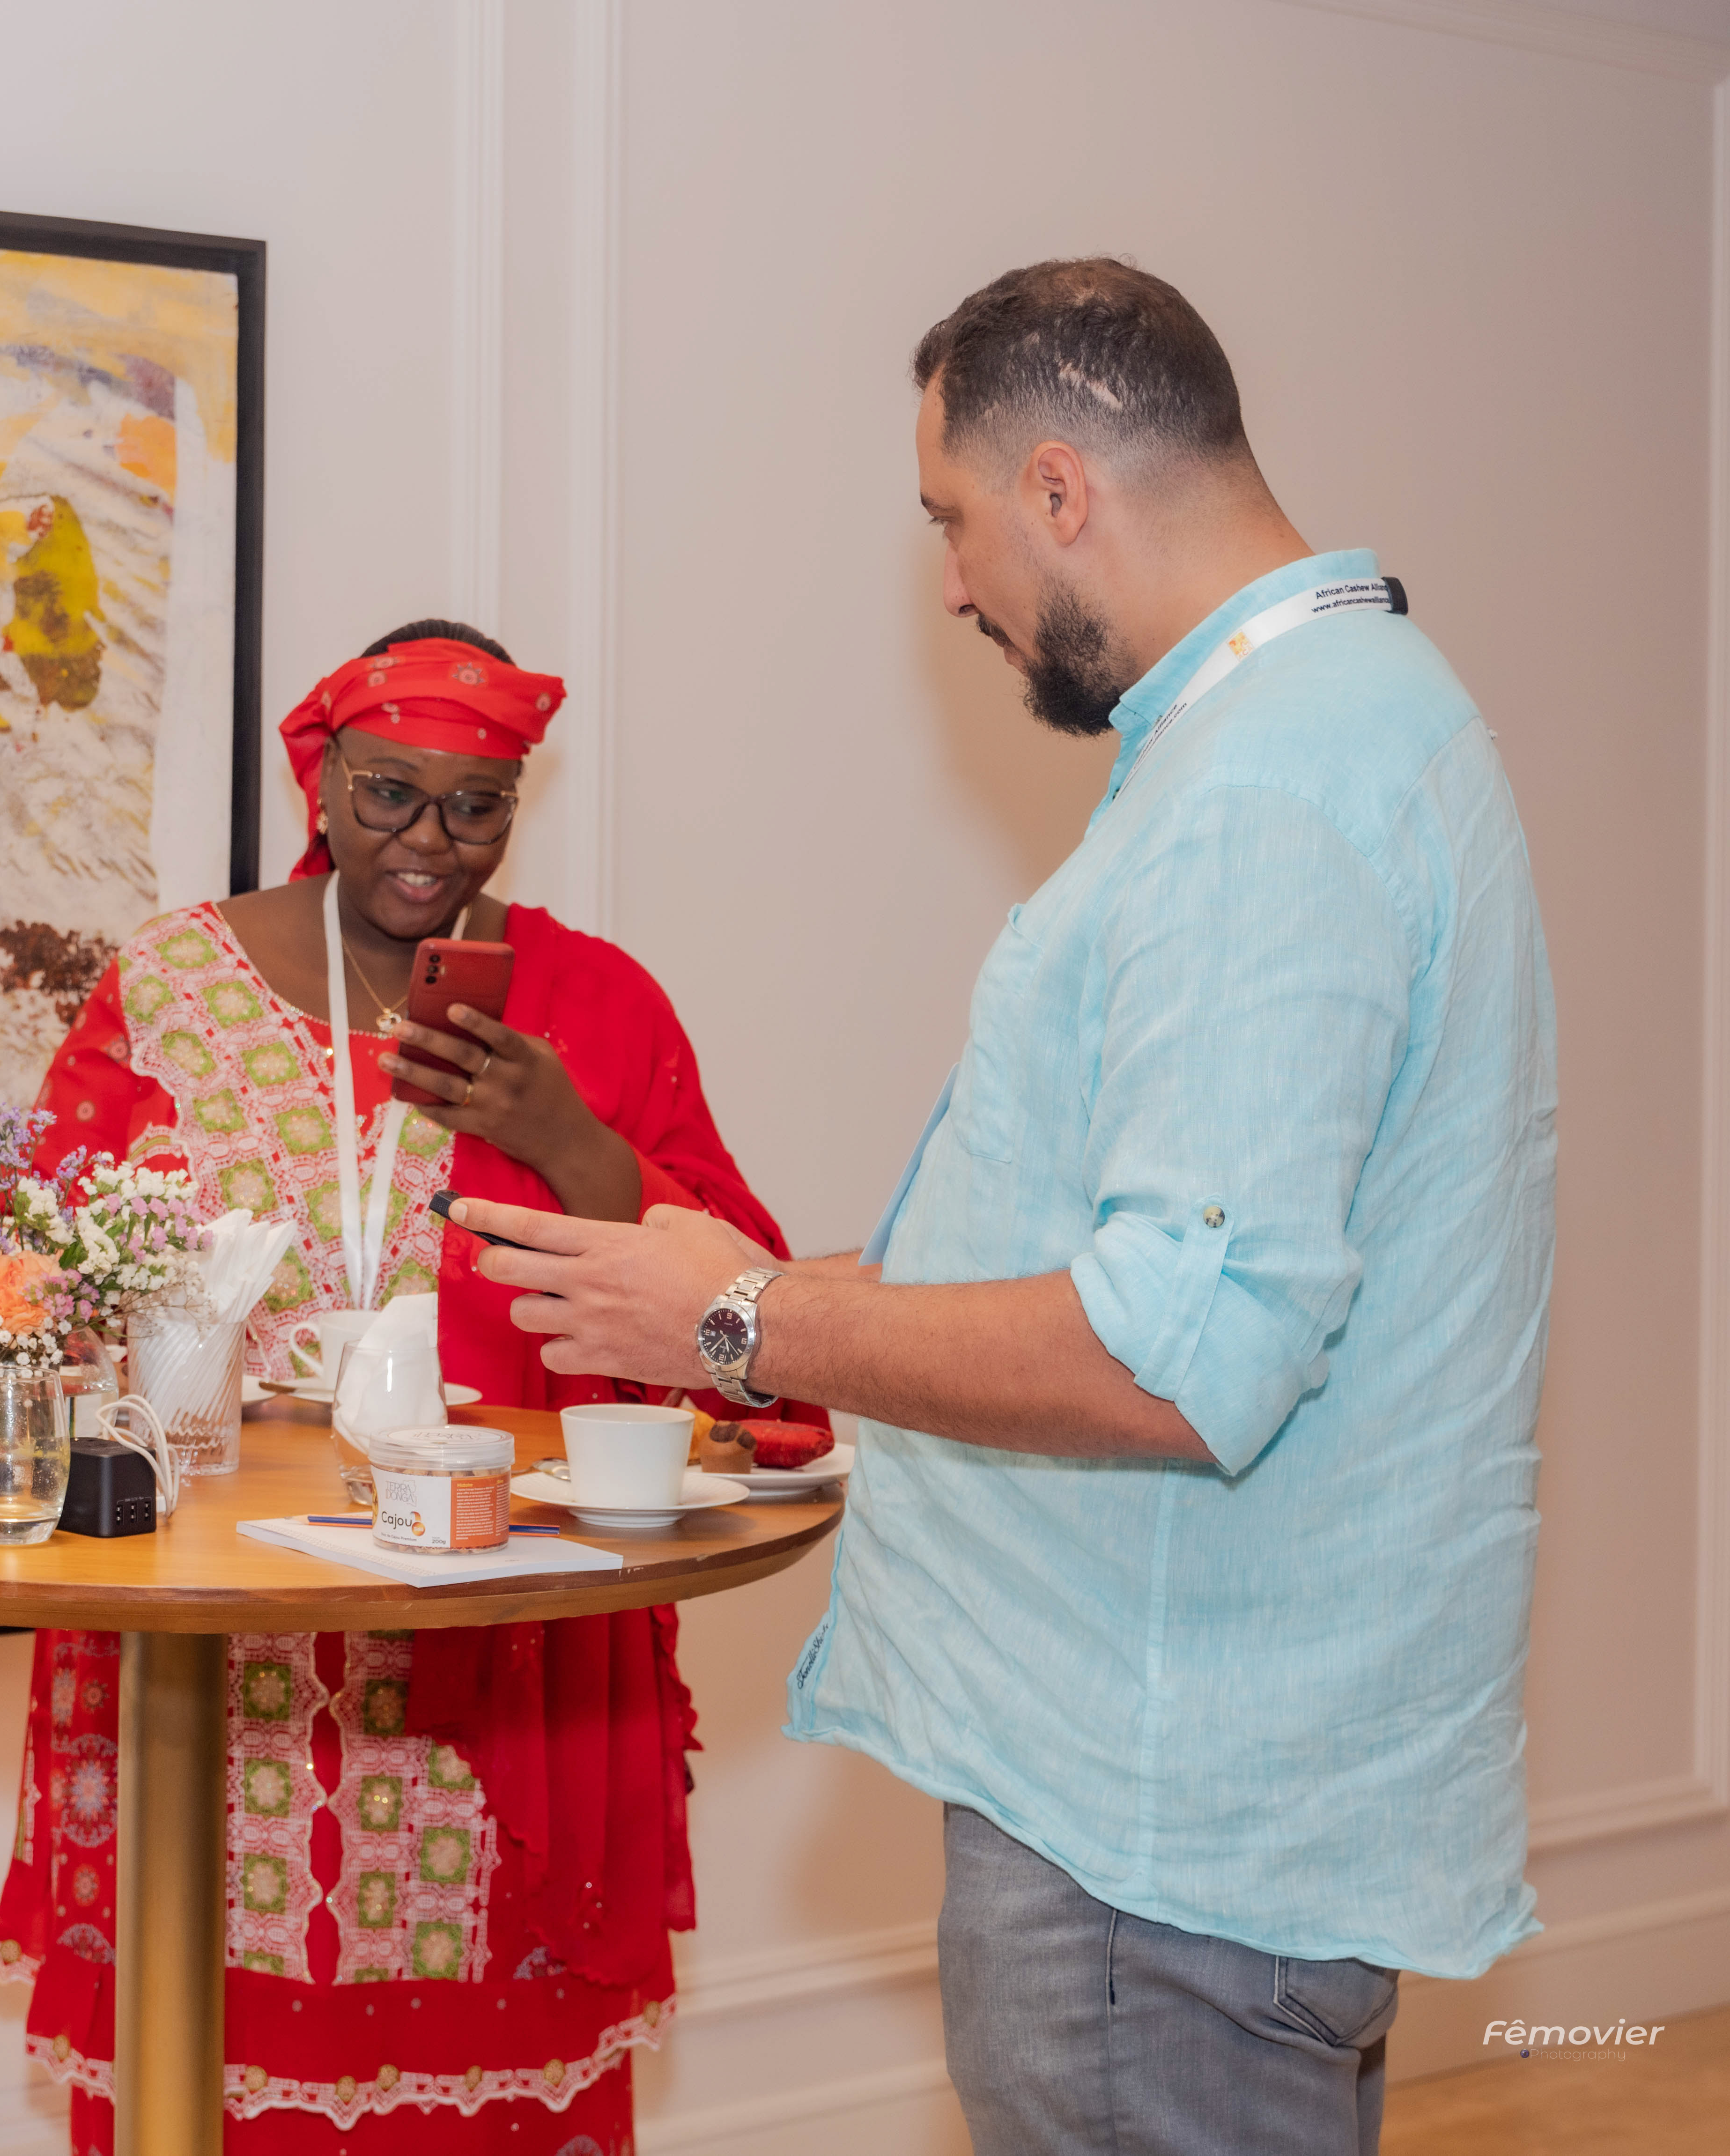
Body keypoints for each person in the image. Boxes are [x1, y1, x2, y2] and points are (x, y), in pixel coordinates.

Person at [459, 260, 1555, 2156]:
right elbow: (1138, 1246)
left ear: (1060, 489)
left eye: (950, 522)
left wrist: (746, 1323)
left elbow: (1172, 1355)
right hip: (1203, 1814)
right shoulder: (1344, 716)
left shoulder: (1269, 786)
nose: (954, 587)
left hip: (1154, 1842)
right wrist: (734, 1284)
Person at [0, 621, 825, 2154]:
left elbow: (757, 1342)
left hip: (498, 1650)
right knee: (199, 2080)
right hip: (213, 1662)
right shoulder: (171, 983)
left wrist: (567, 1137)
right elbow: (35, 1283)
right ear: (322, 779)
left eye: (476, 805)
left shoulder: (594, 1005)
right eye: (389, 795)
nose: (430, 843)